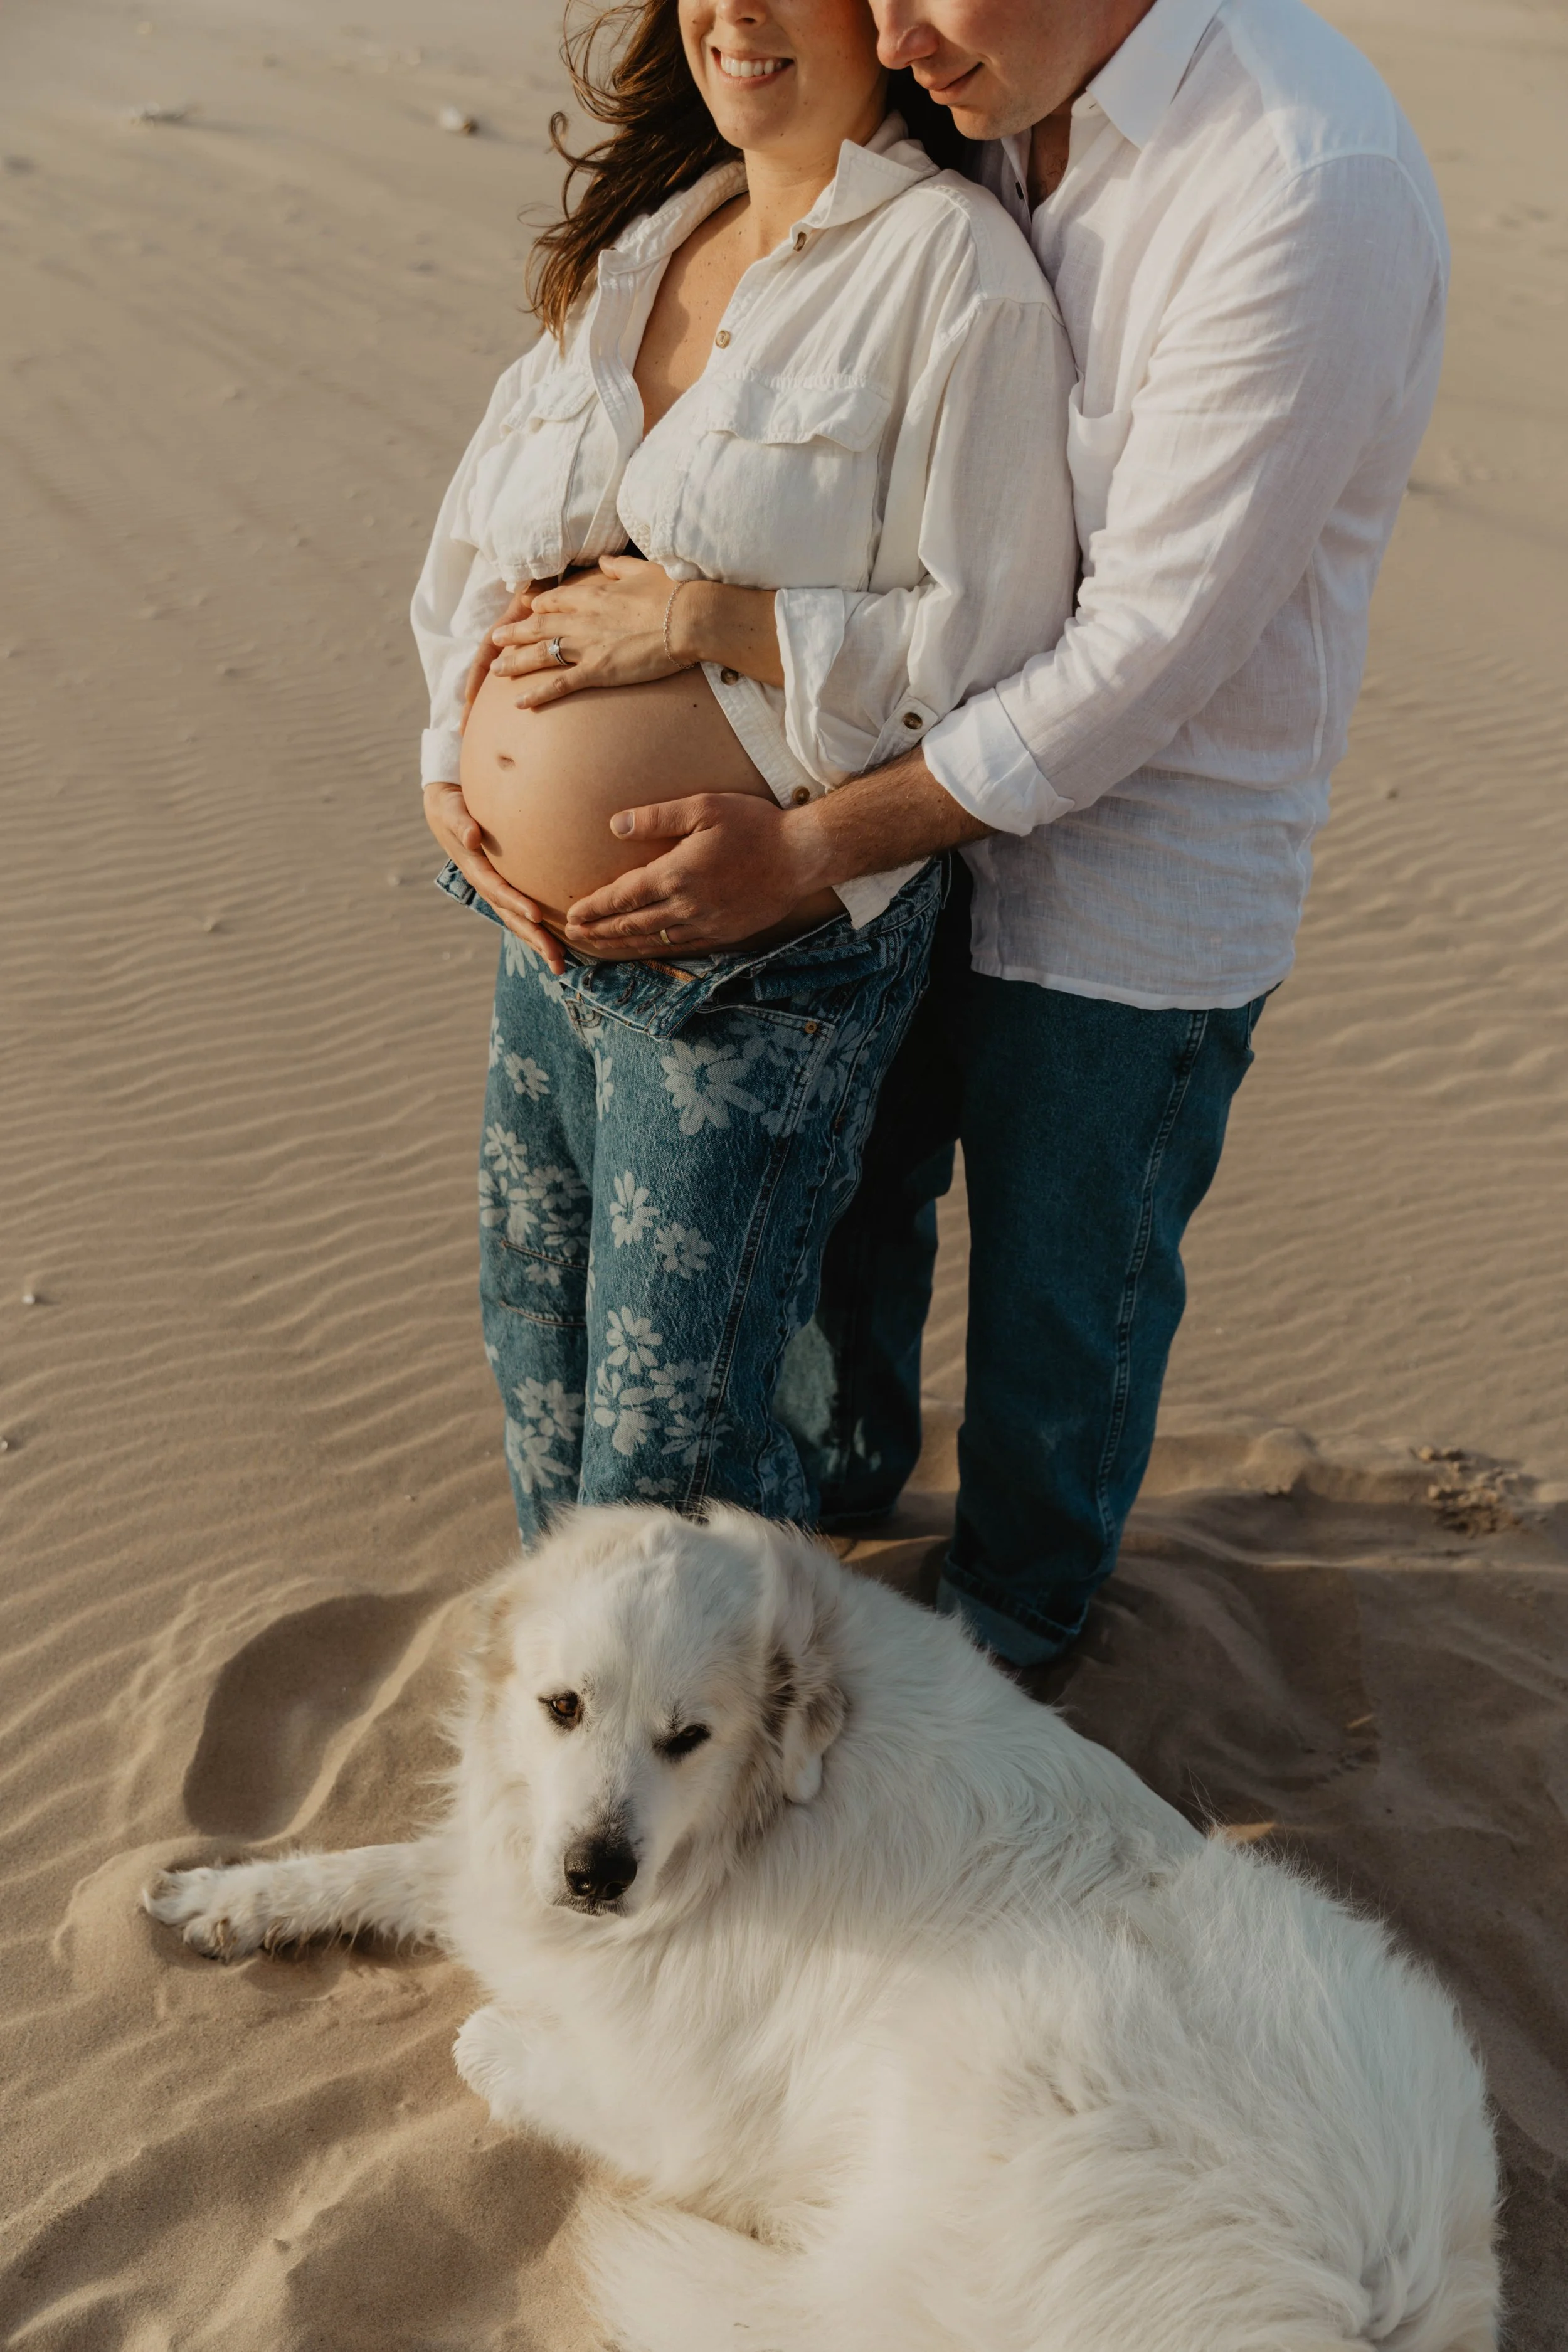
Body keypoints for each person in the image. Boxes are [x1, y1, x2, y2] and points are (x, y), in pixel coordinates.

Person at [502, 0, 1449, 1668]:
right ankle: (852, 1489)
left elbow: (1135, 656)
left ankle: (1016, 1630)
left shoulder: (1302, 180)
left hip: (1132, 875)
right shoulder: (988, 85)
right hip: (910, 828)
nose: (893, 33)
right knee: (850, 1227)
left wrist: (802, 839)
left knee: (1058, 1299)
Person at [413, 0, 1076, 1537]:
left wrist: (711, 617)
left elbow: (987, 650)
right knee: (540, 1329)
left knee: (679, 1437)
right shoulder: (646, 238)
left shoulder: (950, 272)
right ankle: (579, 1724)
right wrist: (451, 763)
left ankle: (726, 1754)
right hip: (540, 938)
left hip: (756, 966)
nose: (738, 14)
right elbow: (475, 549)